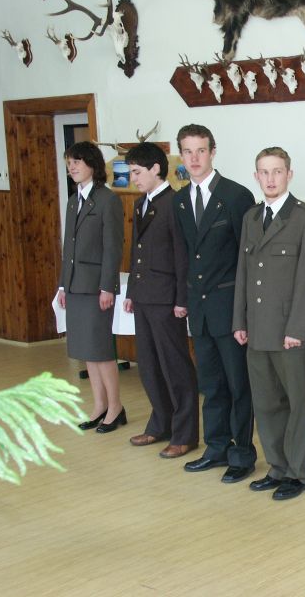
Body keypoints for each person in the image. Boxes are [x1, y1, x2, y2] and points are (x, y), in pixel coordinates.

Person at [232, 147, 305, 501]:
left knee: (297, 404)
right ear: (256, 176)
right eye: (264, 172)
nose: (270, 179)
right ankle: (277, 467)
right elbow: (243, 273)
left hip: (290, 331)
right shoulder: (251, 217)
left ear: (289, 174)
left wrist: (298, 329)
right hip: (258, 327)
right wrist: (239, 320)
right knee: (267, 403)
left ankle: (298, 473)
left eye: (277, 171)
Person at [172, 124, 257, 483]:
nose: (194, 158)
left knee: (239, 385)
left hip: (230, 308)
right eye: (188, 151)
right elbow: (183, 256)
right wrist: (183, 300)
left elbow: (248, 258)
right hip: (200, 309)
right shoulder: (179, 200)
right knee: (210, 384)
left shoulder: (235, 196)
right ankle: (217, 447)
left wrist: (245, 313)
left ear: (212, 152)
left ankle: (242, 454)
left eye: (201, 150)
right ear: (181, 154)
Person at [123, 142, 199, 459]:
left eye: (137, 172)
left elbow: (183, 256)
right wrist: (131, 292)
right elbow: (136, 251)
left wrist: (182, 299)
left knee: (175, 366)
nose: (133, 179)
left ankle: (185, 434)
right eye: (131, 173)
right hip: (144, 295)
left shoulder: (175, 203)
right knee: (150, 365)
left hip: (167, 298)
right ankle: (160, 424)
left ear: (156, 168)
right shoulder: (141, 203)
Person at [57, 141, 124, 433]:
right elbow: (68, 247)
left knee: (101, 350)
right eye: (69, 162)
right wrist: (62, 286)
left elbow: (112, 248)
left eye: (77, 162)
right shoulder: (74, 200)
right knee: (87, 351)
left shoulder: (108, 200)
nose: (72, 167)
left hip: (96, 287)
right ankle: (100, 406)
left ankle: (116, 407)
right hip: (75, 285)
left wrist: (107, 287)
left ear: (93, 165)